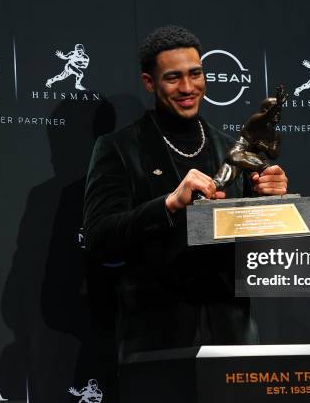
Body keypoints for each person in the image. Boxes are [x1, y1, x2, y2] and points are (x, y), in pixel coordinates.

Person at [83, 25, 288, 360]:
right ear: (150, 82)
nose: (188, 87)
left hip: (233, 341)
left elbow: (257, 257)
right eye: (173, 77)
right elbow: (99, 239)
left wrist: (270, 202)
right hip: (155, 342)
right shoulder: (119, 148)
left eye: (195, 74)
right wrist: (169, 204)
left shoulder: (231, 151)